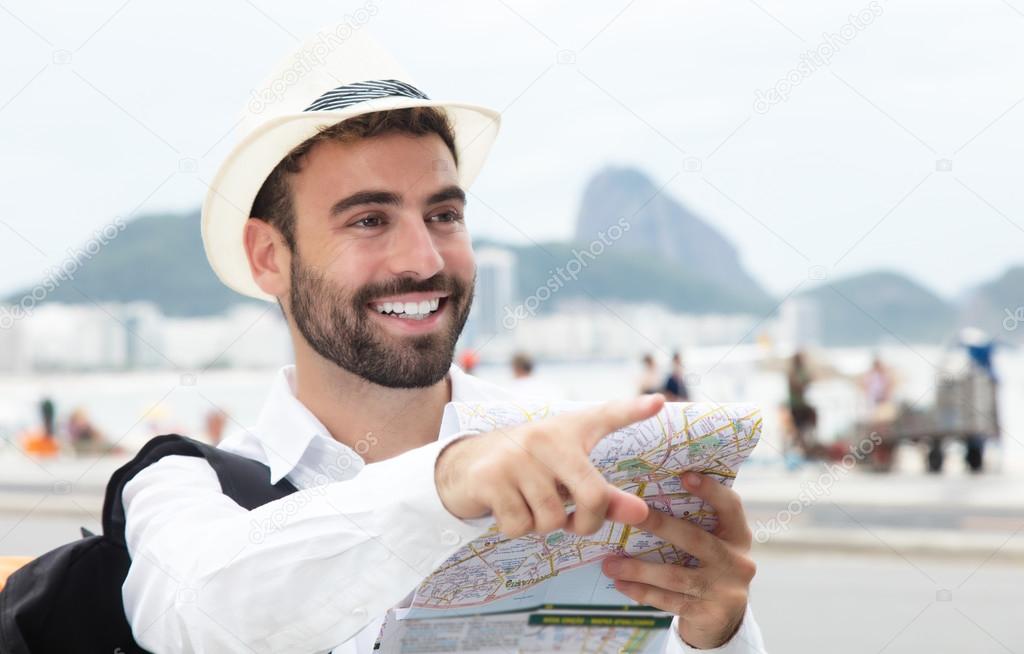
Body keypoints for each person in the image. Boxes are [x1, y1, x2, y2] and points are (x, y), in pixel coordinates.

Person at [120, 29, 765, 653]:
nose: (424, 259)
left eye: (444, 215)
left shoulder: (581, 461)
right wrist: (444, 480)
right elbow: (194, 616)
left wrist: (713, 635)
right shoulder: (186, 484)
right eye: (369, 220)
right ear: (268, 256)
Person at [786, 351, 817, 458]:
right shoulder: (793, 372)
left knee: (803, 428)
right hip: (796, 405)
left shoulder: (799, 372)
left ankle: (803, 447)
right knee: (798, 429)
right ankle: (800, 448)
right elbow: (798, 386)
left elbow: (805, 382)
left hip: (800, 405)